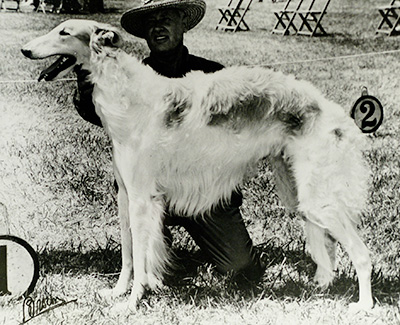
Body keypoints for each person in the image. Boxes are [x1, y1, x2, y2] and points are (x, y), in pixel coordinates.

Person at [73, 0, 265, 282]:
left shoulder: (212, 73)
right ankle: (163, 259)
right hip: (153, 191)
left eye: (166, 19)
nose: (158, 26)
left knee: (241, 270)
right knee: (160, 273)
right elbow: (100, 114)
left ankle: (203, 248)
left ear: (183, 23)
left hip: (204, 192)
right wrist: (88, 78)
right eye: (151, 22)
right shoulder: (131, 76)